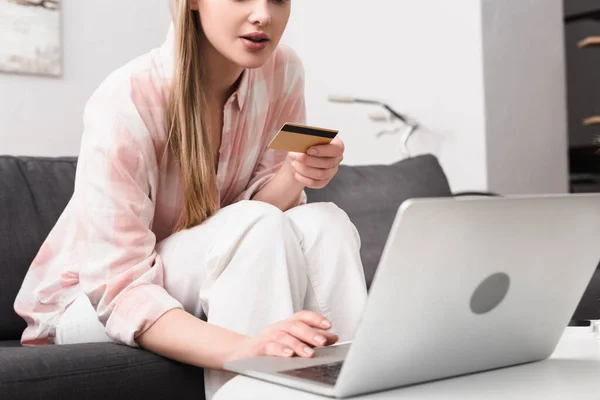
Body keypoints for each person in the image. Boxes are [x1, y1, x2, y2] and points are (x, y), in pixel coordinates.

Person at [13, 0, 368, 398]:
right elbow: (118, 290)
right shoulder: (127, 97)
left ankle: (356, 388)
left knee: (325, 223)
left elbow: (263, 207)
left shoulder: (282, 71)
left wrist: (296, 172)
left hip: (199, 271)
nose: (263, 15)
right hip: (88, 304)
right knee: (254, 222)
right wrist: (243, 349)